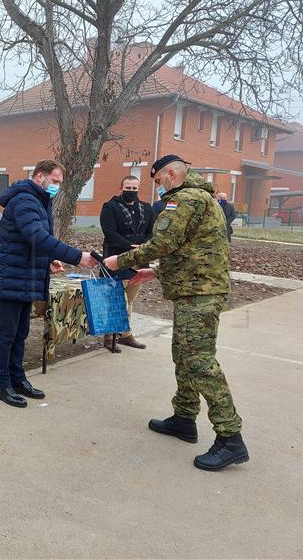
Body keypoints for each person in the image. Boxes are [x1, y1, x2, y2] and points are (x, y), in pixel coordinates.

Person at [104, 154, 248, 472]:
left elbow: (164, 242)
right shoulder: (201, 198)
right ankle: (184, 418)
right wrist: (154, 271)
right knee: (183, 354)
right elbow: (193, 247)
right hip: (196, 287)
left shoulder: (184, 199)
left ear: (171, 174)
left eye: (157, 182)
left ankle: (230, 438)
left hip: (200, 291)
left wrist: (119, 261)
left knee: (199, 361)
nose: (157, 188)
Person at [0, 160, 97, 408]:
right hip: (13, 277)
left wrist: (49, 260)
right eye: (55, 181)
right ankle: (2, 383)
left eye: (60, 183)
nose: (57, 187)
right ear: (40, 176)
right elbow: (38, 236)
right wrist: (77, 257)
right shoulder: (25, 200)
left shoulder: (39, 200)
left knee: (20, 332)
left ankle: (18, 378)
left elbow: (34, 242)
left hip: (26, 275)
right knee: (6, 333)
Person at [99, 175, 154, 351]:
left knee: (129, 300)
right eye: (128, 188)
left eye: (134, 188)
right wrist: (130, 247)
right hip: (117, 259)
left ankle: (124, 335)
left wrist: (143, 247)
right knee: (115, 300)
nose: (131, 191)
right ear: (121, 187)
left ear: (139, 188)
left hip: (139, 260)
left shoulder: (146, 208)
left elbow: (152, 232)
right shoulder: (110, 207)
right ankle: (109, 336)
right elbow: (109, 232)